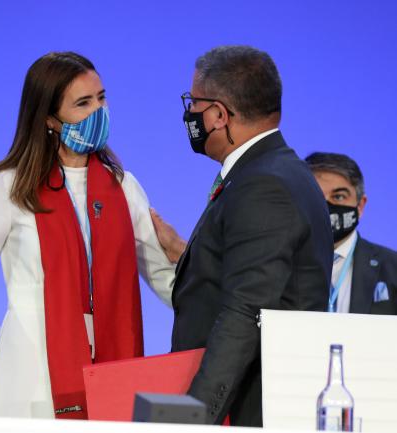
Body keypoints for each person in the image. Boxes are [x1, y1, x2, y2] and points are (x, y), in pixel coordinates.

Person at [0, 51, 179, 419]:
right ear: (49, 118)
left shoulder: (123, 187)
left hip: (113, 369)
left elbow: (162, 276)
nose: (98, 111)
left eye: (101, 98)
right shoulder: (8, 188)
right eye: (83, 103)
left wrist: (224, 298)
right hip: (31, 376)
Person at [160, 45, 333, 426]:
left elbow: (245, 312)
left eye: (194, 102)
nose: (189, 114)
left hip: (249, 411)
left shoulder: (264, 185)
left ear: (219, 115)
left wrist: (192, 418)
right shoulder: (279, 171)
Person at [306, 152, 397, 314]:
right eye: (315, 195)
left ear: (360, 206)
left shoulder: (392, 267)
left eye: (339, 197)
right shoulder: (277, 263)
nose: (325, 205)